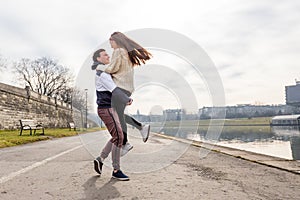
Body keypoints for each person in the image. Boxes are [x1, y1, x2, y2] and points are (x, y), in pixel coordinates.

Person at [97, 31, 152, 155]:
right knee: (118, 115)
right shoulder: (126, 52)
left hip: (120, 89)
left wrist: (99, 68)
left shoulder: (119, 51)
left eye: (110, 40)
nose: (110, 43)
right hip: (127, 89)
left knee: (118, 116)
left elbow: (112, 68)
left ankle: (129, 139)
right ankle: (137, 131)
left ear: (116, 40)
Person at [92, 48, 129, 181]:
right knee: (119, 136)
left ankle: (100, 159)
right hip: (107, 109)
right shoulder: (102, 74)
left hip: (107, 108)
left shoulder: (103, 72)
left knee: (116, 136)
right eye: (105, 55)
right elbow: (114, 90)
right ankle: (116, 170)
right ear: (98, 59)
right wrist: (127, 99)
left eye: (108, 54)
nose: (108, 56)